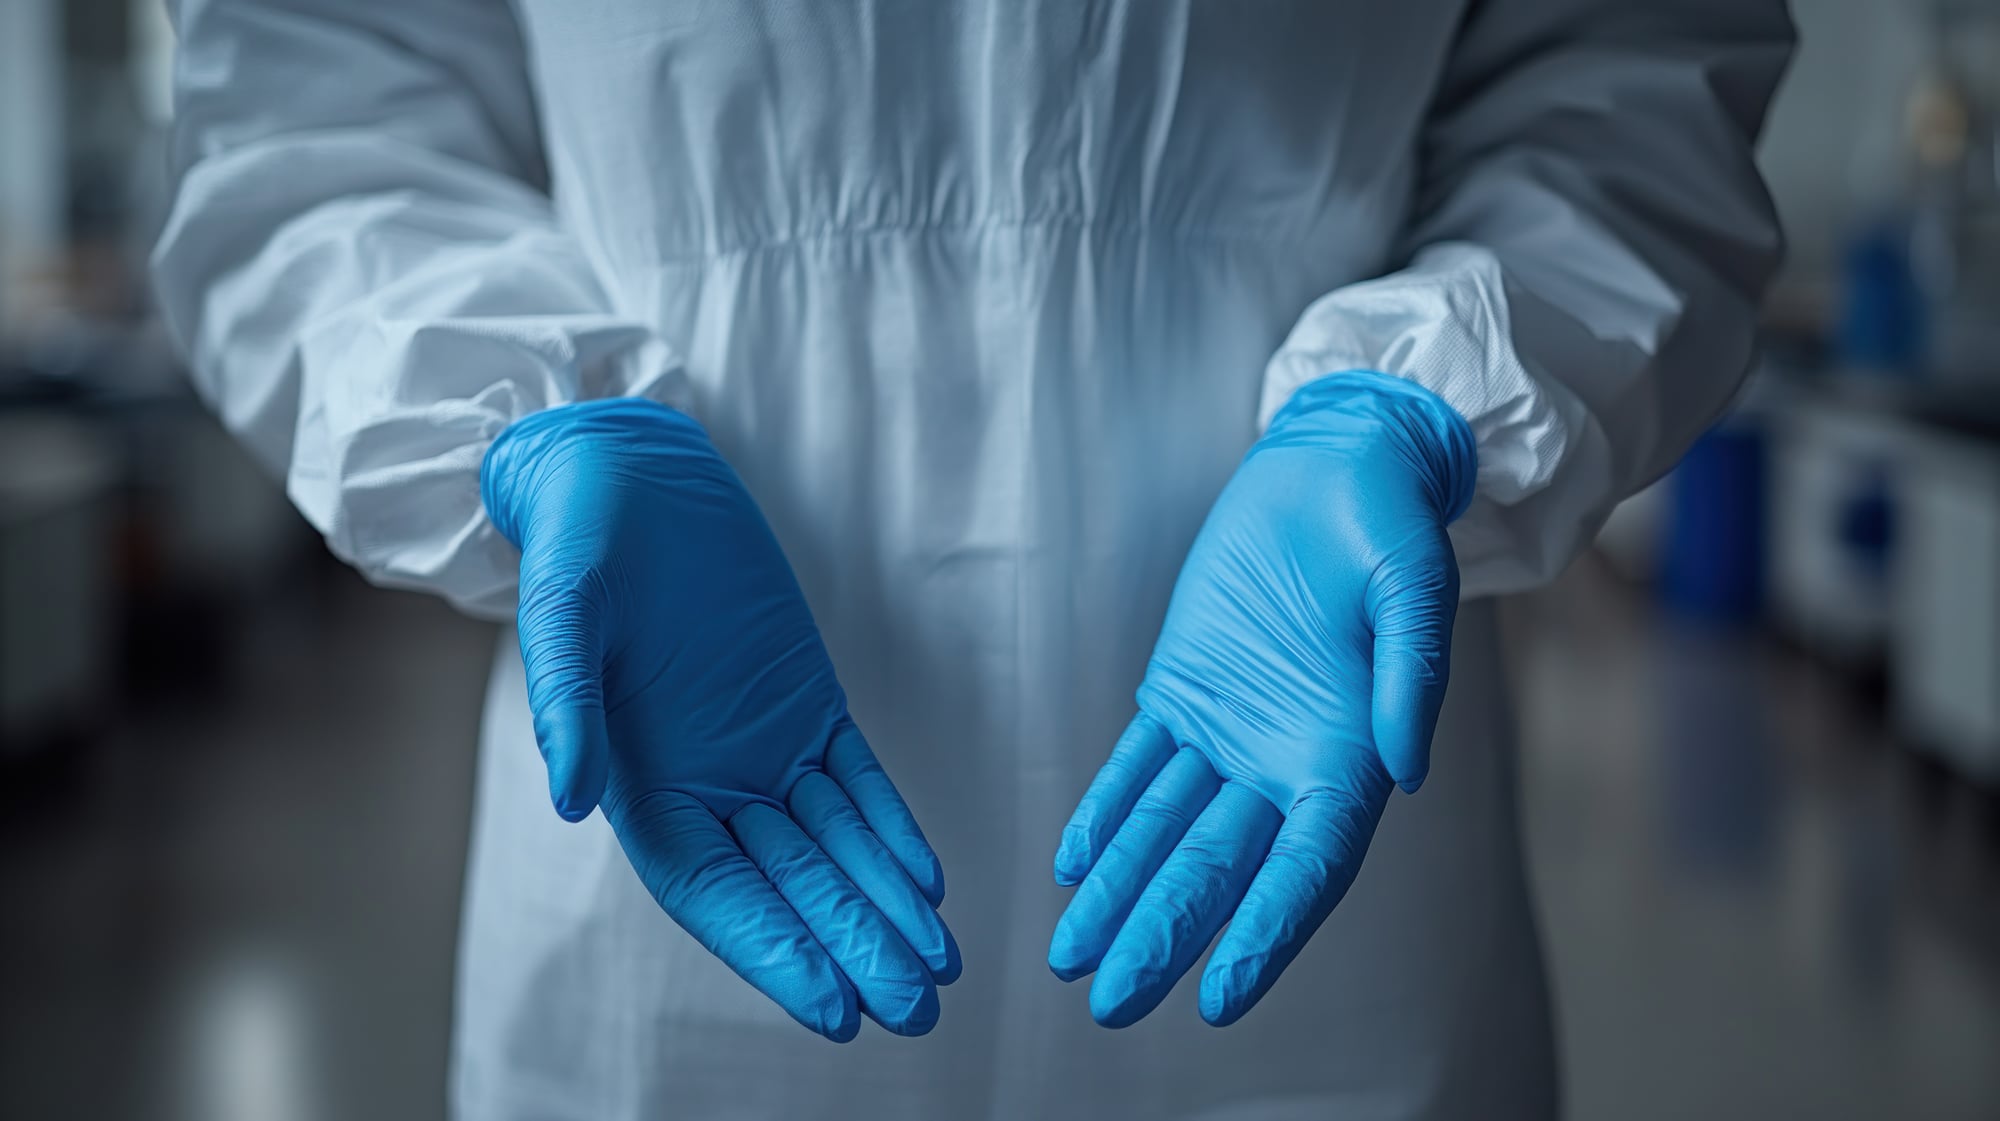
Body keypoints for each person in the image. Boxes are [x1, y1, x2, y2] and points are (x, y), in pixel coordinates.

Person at [152, 0, 1793, 1116]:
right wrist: (526, 416)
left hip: (1318, 825)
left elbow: (1626, 90)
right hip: (679, 845)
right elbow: (318, 123)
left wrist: (1412, 401)